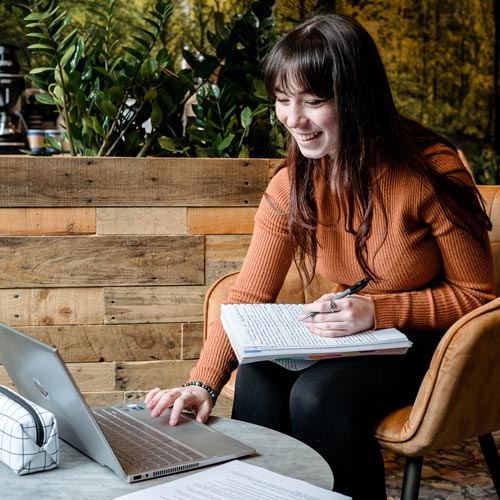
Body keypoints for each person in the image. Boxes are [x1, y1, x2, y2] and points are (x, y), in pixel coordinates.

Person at [145, 13, 495, 500]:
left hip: (435, 347)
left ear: (357, 98)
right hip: (353, 339)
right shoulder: (293, 184)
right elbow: (248, 294)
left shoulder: (430, 171)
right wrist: (202, 382)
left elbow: (479, 297)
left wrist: (380, 310)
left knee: (320, 396)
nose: (293, 119)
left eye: (313, 101)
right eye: (283, 101)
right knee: (261, 377)